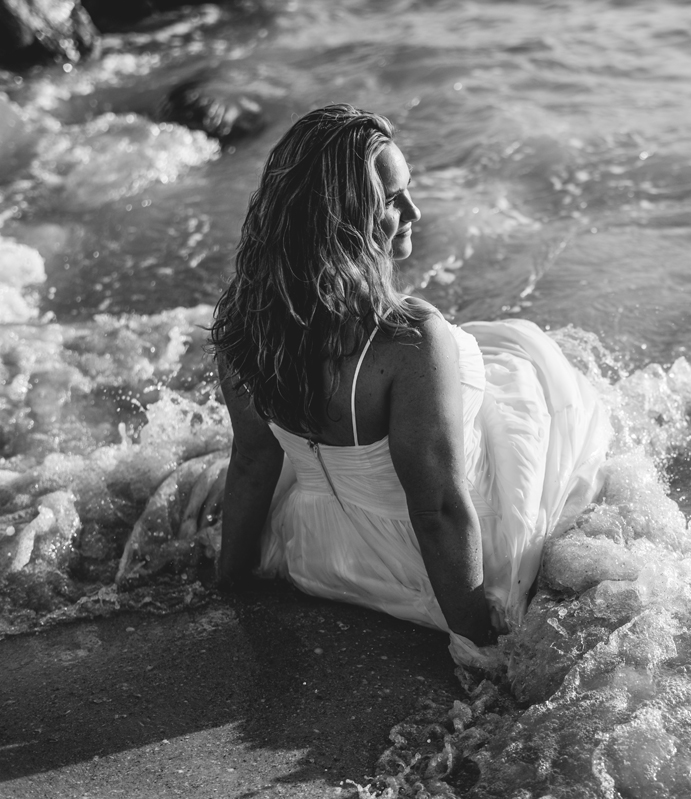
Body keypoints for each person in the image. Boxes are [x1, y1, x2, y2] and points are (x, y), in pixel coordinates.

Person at [208, 104, 610, 662]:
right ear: (341, 218)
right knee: (543, 374)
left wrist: (231, 583)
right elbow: (439, 507)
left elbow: (253, 460)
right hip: (427, 575)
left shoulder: (248, 325)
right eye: (392, 199)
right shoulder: (406, 340)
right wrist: (476, 638)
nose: (414, 210)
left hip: (323, 558)